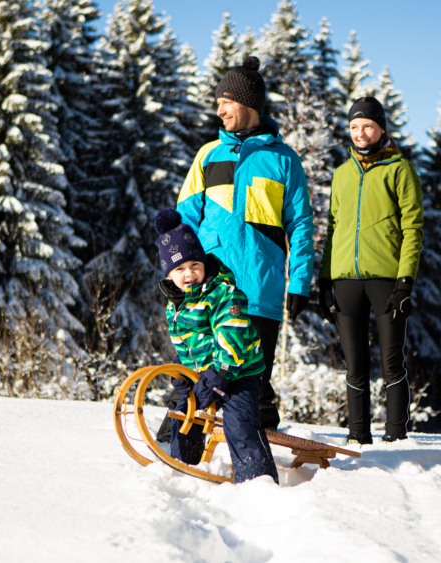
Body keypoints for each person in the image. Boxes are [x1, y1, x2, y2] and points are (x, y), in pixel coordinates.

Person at [176, 56, 314, 430]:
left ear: (249, 104)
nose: (218, 109)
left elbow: (301, 225)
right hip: (211, 289)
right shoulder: (208, 155)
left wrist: (300, 282)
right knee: (199, 376)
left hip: (259, 288)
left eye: (226, 101)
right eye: (218, 101)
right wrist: (177, 274)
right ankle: (180, 441)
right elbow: (183, 221)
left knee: (252, 381)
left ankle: (261, 451)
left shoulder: (284, 161)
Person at [318, 97, 424, 445]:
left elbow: (413, 227)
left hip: (386, 280)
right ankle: (357, 435)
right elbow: (334, 228)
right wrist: (323, 279)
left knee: (392, 363)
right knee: (355, 365)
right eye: (354, 127)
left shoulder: (400, 169)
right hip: (346, 280)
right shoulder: (342, 174)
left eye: (367, 126)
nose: (360, 134)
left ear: (381, 128)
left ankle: (396, 435)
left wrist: (405, 281)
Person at [154, 208, 279, 484]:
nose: (189, 274)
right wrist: (186, 378)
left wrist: (219, 374)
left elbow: (232, 336)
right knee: (183, 412)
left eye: (194, 266)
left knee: (239, 424)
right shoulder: (174, 305)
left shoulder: (223, 292)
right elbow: (185, 346)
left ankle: (257, 481)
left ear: (203, 263)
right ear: (169, 274)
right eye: (180, 269)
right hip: (207, 374)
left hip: (240, 372)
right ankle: (185, 468)